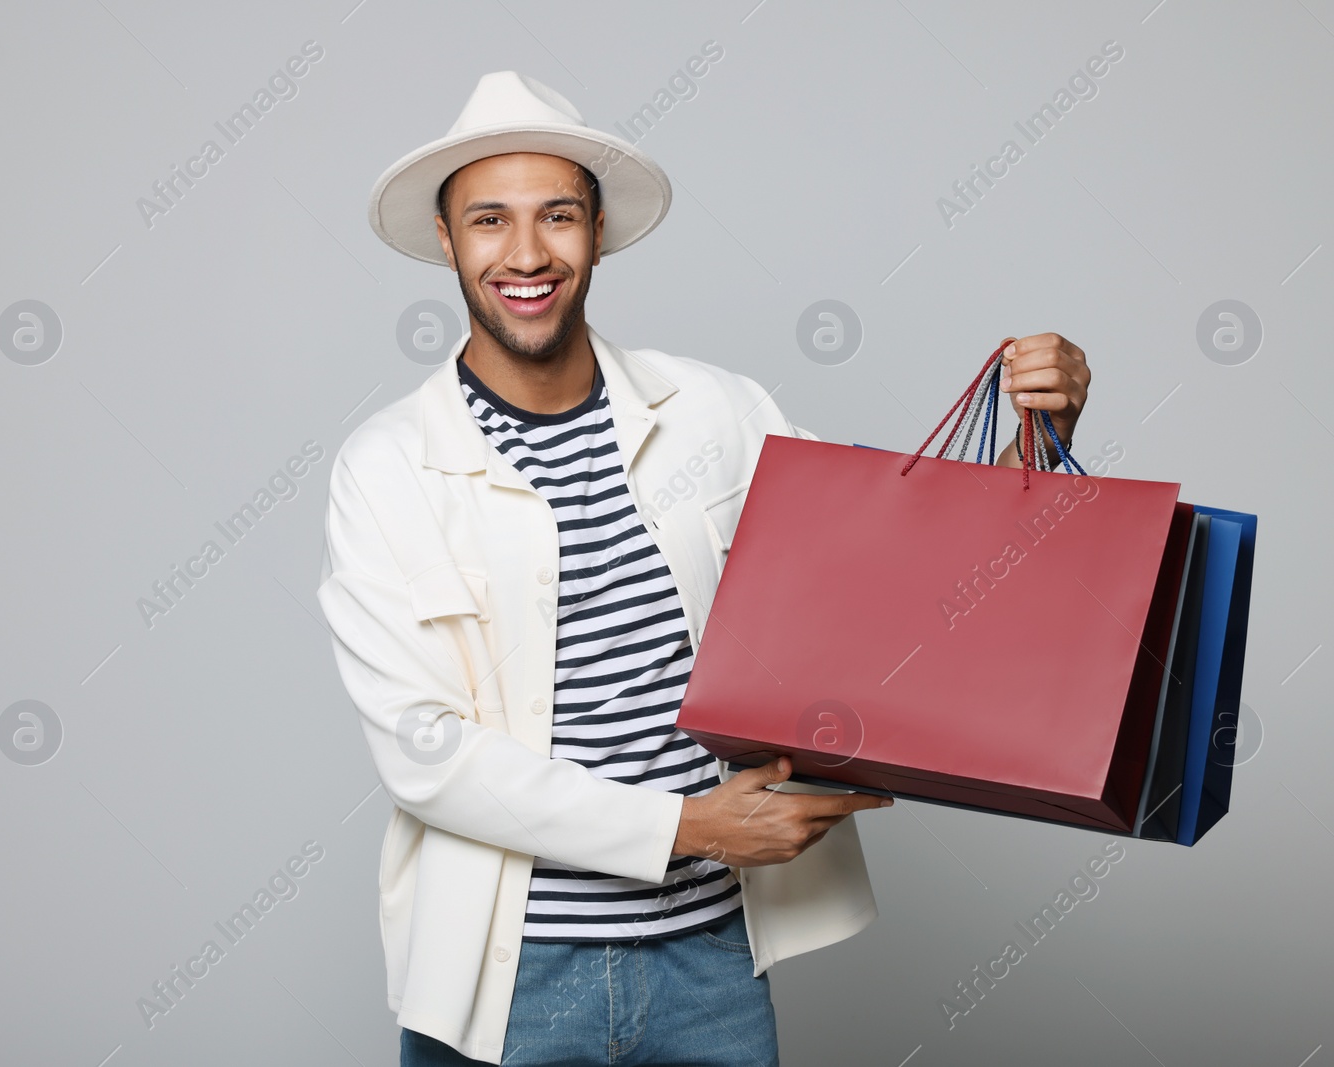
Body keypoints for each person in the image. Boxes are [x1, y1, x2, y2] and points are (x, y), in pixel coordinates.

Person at [317, 70, 1091, 1067]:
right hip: (508, 979)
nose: (525, 253)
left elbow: (903, 575)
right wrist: (689, 825)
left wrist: (1040, 442)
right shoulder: (386, 467)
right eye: (488, 221)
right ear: (445, 238)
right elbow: (426, 751)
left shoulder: (715, 413)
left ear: (596, 228)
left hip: (710, 964)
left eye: (556, 215)